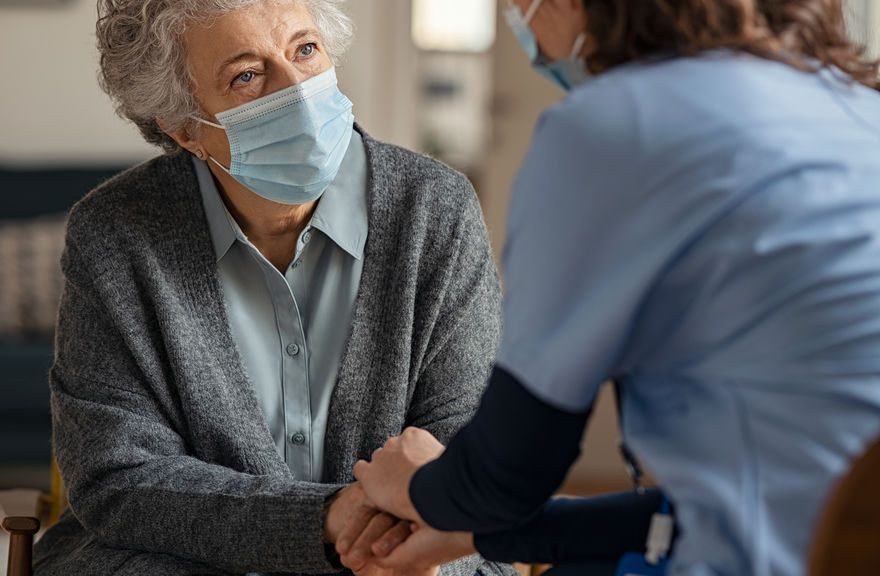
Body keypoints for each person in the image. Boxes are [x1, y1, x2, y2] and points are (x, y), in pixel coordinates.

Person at [340, 0, 880, 575]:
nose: (517, 21)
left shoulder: (611, 125)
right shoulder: (854, 105)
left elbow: (504, 478)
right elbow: (709, 513)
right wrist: (473, 535)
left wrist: (415, 485)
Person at [30, 1, 519, 575]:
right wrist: (327, 519)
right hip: (184, 559)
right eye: (247, 75)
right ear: (186, 128)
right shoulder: (115, 232)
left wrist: (393, 543)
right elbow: (119, 474)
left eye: (304, 50)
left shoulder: (436, 211)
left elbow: (468, 438)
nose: (298, 92)